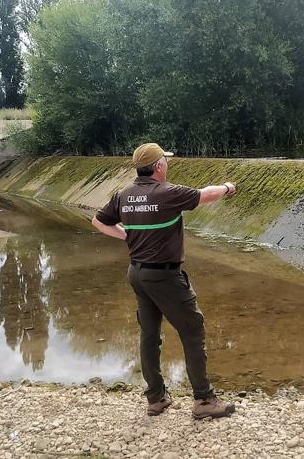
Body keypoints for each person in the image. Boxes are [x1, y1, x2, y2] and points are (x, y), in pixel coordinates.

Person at [92, 143, 237, 419]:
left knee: (149, 335)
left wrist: (128, 236)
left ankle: (156, 398)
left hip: (137, 273)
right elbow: (206, 195)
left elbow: (98, 222)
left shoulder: (123, 195)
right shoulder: (168, 193)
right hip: (165, 276)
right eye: (165, 161)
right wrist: (228, 187)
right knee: (192, 330)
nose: (167, 165)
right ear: (158, 166)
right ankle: (204, 400)